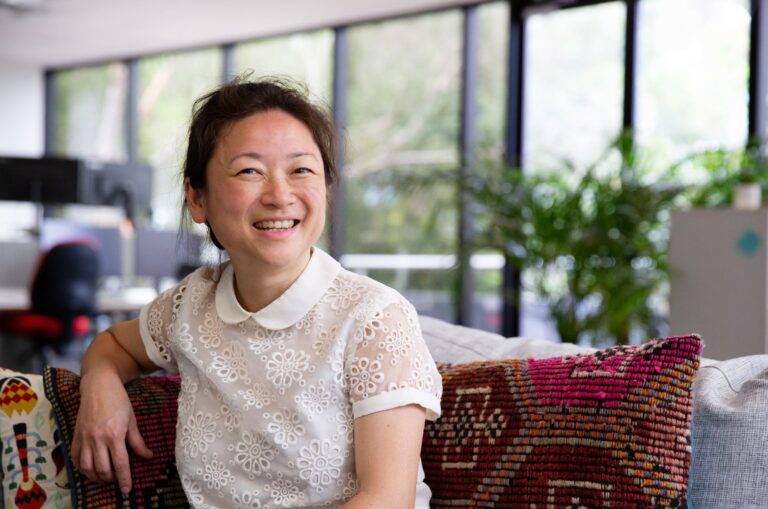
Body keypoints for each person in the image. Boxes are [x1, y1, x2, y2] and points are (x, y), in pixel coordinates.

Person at [71, 76, 442, 508]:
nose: (280, 195)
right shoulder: (190, 306)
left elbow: (387, 499)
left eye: (301, 170)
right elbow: (113, 345)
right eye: (249, 171)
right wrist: (99, 385)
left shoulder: (374, 318)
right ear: (197, 198)